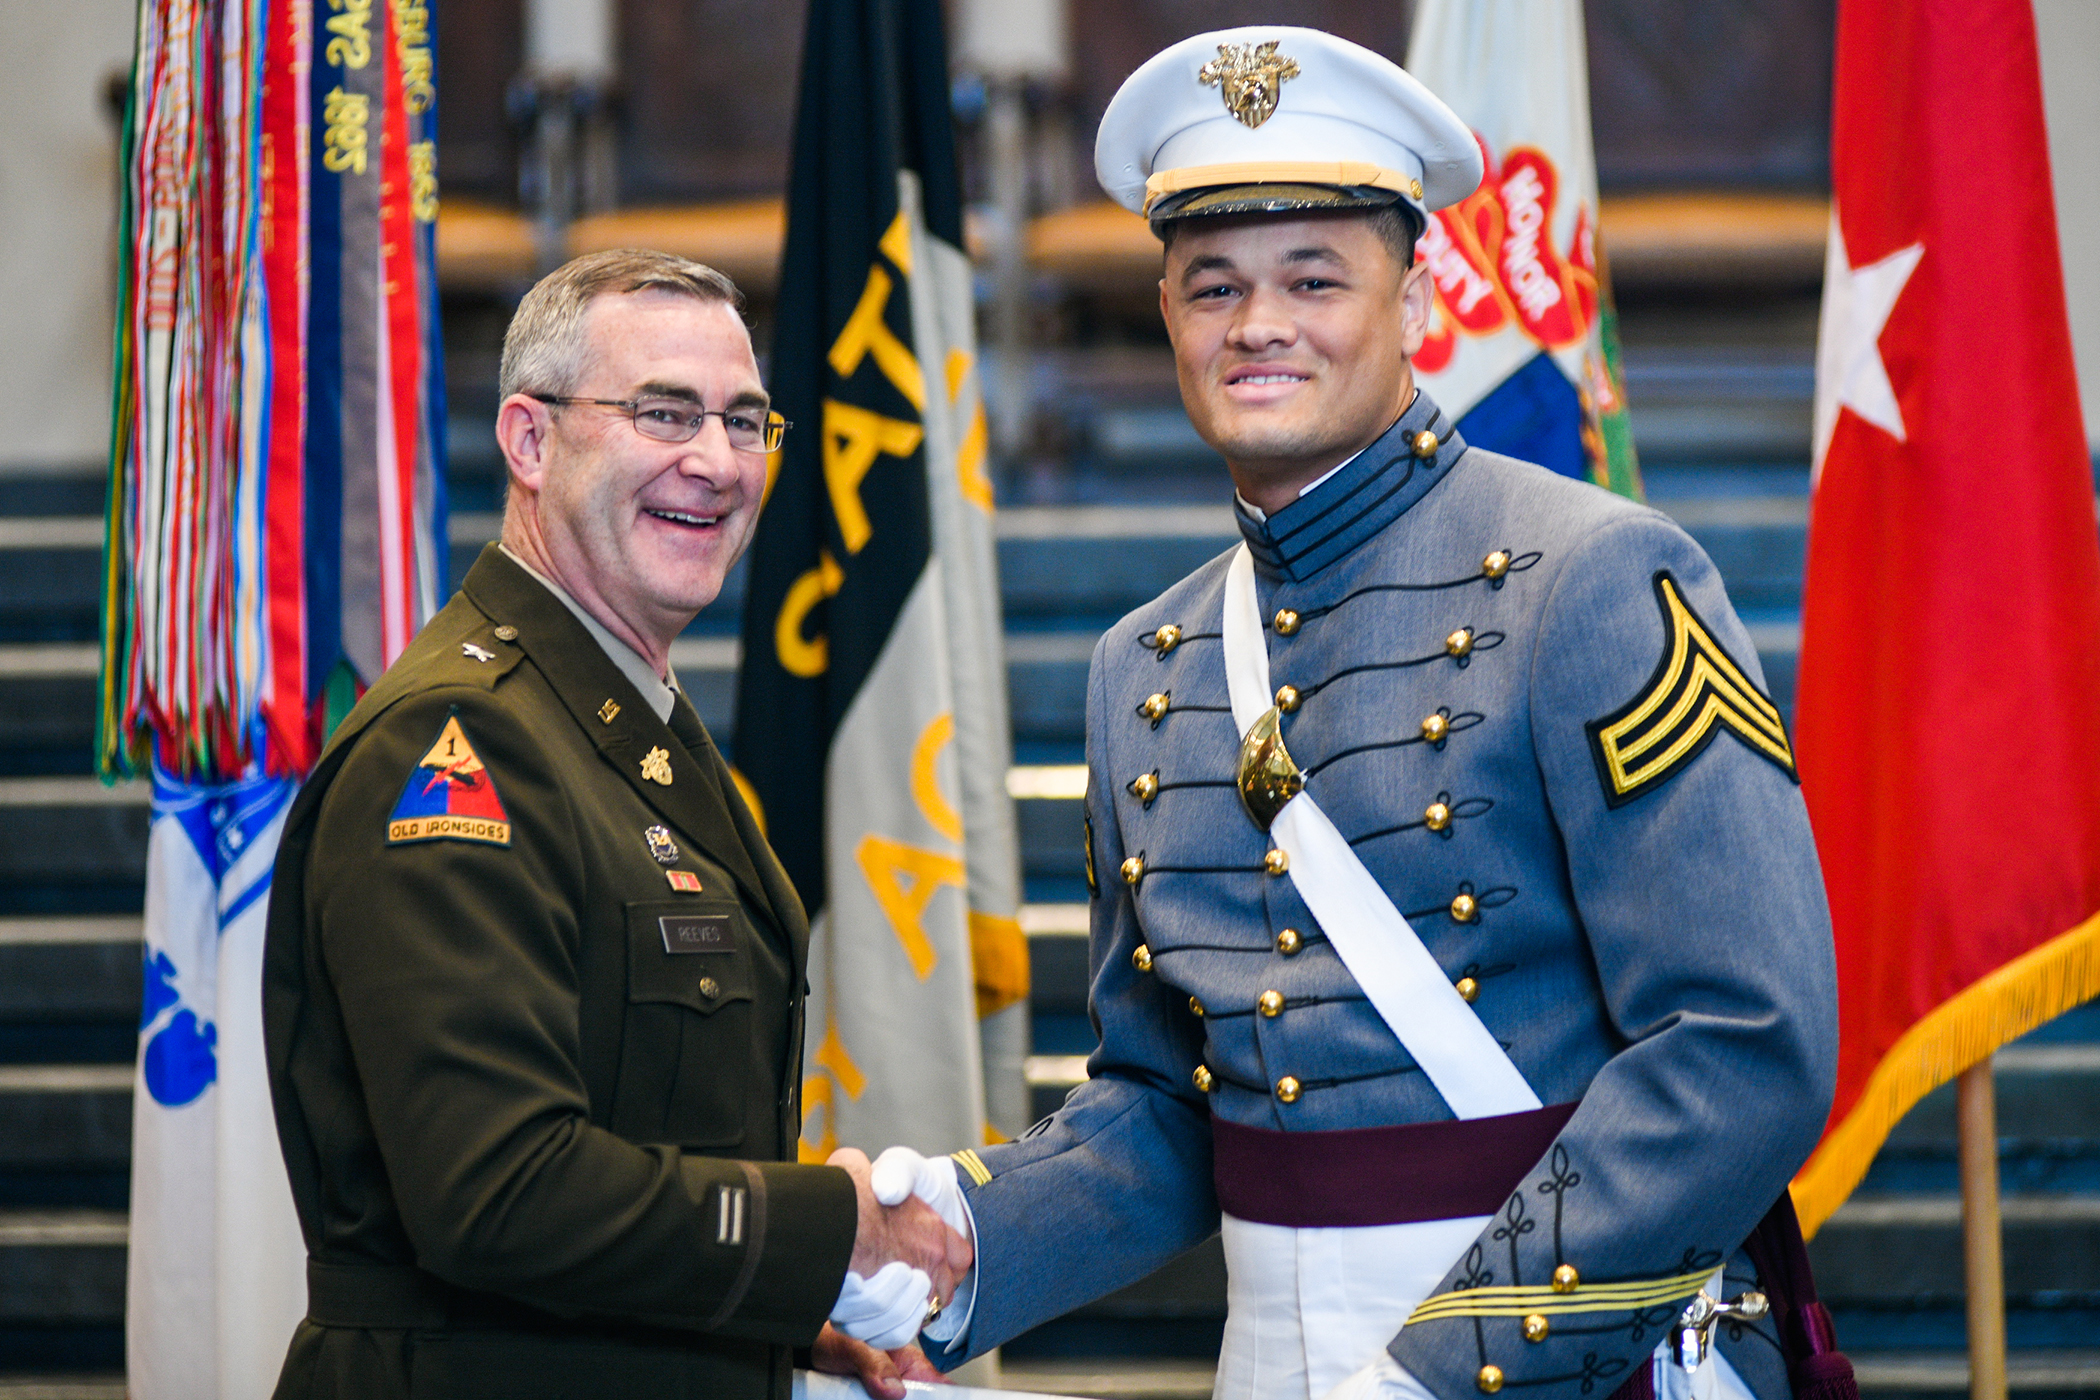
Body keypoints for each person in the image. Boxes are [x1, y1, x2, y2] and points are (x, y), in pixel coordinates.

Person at [854, 27, 1838, 1400]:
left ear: (1419, 297)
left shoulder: (1601, 579)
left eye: (1314, 279)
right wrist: (958, 1241)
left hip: (1563, 1364)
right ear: (1167, 315)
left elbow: (1747, 1049)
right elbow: (1170, 1108)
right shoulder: (1144, 662)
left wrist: (1449, 1370)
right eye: (1214, 288)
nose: (1259, 326)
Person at [261, 248, 970, 1400]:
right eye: (663, 411)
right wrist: (828, 1227)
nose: (716, 461)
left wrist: (772, 1328)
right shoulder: (456, 745)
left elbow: (642, 1120)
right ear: (531, 442)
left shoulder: (620, 716)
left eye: (746, 421)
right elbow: (499, 1191)